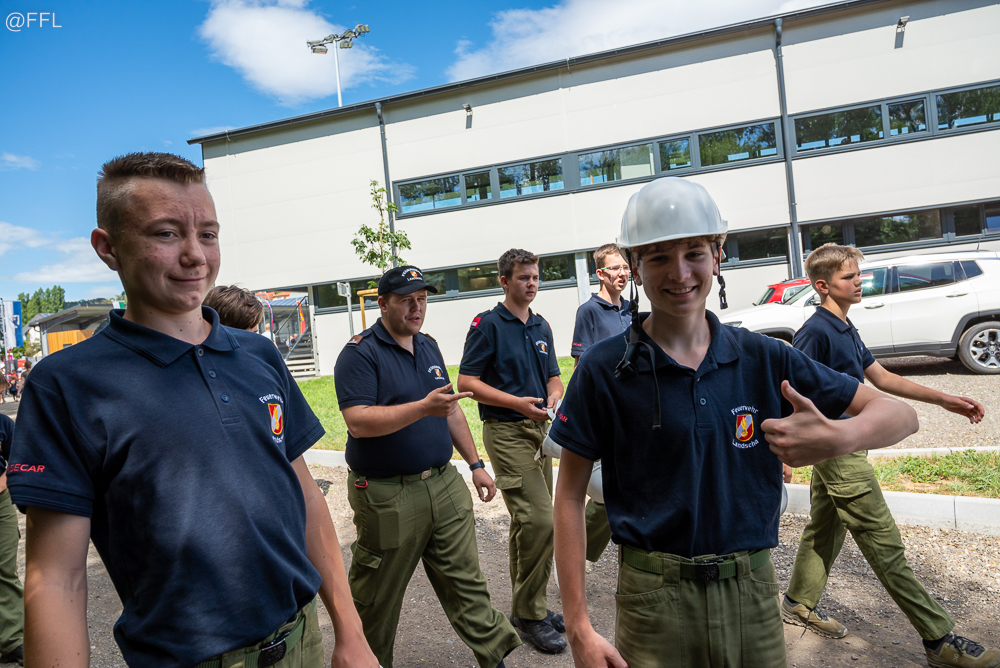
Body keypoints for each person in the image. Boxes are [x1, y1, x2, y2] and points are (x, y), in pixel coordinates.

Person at [7, 152, 378, 668]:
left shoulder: (259, 355)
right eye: (166, 233)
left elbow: (306, 496)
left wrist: (351, 632)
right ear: (107, 248)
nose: (195, 256)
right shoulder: (66, 384)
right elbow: (56, 579)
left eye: (208, 234)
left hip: (301, 640)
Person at [549, 176, 919, 668]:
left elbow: (900, 414)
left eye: (694, 253)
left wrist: (837, 436)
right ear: (635, 267)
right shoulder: (604, 368)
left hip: (752, 594)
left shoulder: (764, 357)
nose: (680, 272)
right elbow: (569, 494)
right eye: (658, 257)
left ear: (717, 256)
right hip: (651, 599)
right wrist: (578, 626)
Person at [782, 243, 996, 668]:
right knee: (884, 542)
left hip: (847, 441)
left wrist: (945, 399)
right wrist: (786, 453)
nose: (859, 282)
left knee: (825, 526)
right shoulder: (815, 331)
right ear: (822, 285)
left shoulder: (845, 327)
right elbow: (791, 387)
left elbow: (879, 376)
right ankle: (939, 640)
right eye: (849, 277)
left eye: (858, 275)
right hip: (836, 448)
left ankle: (798, 602)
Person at [334, 265, 521, 668]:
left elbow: (450, 409)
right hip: (387, 494)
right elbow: (358, 422)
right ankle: (368, 661)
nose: (416, 308)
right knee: (376, 597)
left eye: (421, 299)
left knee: (467, 583)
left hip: (443, 483)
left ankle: (495, 659)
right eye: (406, 300)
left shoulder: (428, 345)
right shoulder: (360, 353)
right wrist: (422, 408)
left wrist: (475, 464)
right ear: (383, 304)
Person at [457, 249, 567, 654]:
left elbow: (554, 377)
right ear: (504, 281)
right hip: (506, 432)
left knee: (529, 524)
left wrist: (554, 395)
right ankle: (531, 614)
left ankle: (528, 606)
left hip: (540, 431)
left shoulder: (541, 325)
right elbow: (466, 382)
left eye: (535, 277)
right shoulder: (487, 325)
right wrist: (516, 404)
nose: (531, 283)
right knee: (540, 520)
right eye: (523, 277)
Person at [569, 243, 632, 562]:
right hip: (606, 409)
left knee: (626, 485)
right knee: (609, 489)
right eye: (615, 268)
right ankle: (574, 551)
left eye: (625, 267)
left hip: (634, 408)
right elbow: (582, 367)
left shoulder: (633, 309)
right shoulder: (589, 311)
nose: (622, 273)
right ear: (600, 273)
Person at [0, 414, 23, 665]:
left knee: (5, 569)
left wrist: (3, 481)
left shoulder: (4, 424)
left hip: (1, 503)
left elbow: (16, 460)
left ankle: (12, 640)